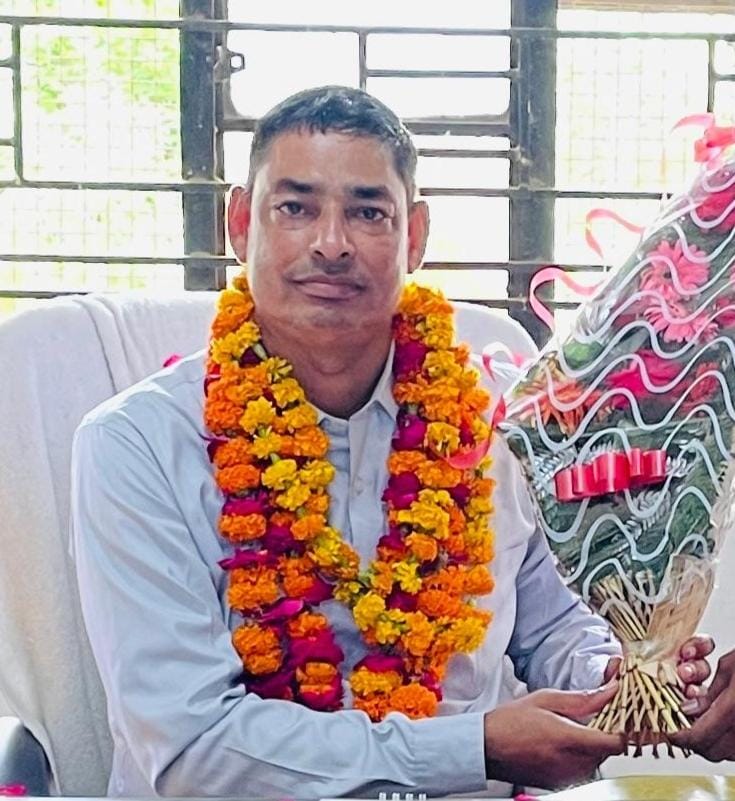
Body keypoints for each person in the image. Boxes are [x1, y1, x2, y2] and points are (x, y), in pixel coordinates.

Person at [70, 85, 712, 799]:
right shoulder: (136, 446)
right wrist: (475, 749)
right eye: (296, 208)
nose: (331, 243)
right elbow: (192, 750)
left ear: (415, 236)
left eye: (368, 212)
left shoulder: (496, 424)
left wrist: (621, 677)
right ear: (241, 222)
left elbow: (554, 626)